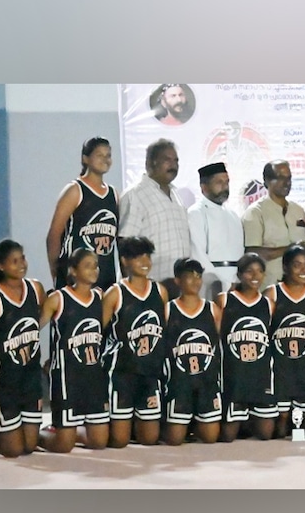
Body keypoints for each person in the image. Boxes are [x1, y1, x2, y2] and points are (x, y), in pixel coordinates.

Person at [38, 248, 110, 452]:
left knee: (99, 442)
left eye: (96, 265)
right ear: (73, 271)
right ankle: (37, 435)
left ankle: (68, 430)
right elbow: (32, 329)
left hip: (93, 375)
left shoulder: (100, 296)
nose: (94, 270)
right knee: (63, 446)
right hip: (67, 377)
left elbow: (102, 331)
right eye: (88, 266)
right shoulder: (58, 299)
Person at [101, 236, 169, 448]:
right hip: (122, 371)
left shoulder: (160, 291)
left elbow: (164, 331)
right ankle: (83, 431)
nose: (145, 261)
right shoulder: (115, 293)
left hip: (150, 371)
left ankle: (130, 423)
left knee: (149, 439)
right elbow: (98, 333)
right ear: (124, 261)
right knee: (118, 441)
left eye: (147, 256)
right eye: (138, 257)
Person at [0, 240, 45, 458]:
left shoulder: (36, 289)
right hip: (5, 383)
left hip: (30, 379)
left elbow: (42, 320)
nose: (21, 265)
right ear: (1, 266)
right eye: (14, 261)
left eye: (23, 258)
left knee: (30, 446)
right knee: (14, 450)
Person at [161, 258, 222, 445]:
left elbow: (218, 344)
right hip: (179, 383)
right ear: (177, 281)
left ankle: (196, 423)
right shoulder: (168, 309)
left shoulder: (212, 309)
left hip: (206, 382)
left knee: (211, 438)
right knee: (174, 440)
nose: (195, 281)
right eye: (189, 276)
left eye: (198, 276)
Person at [118, 138, 191, 293]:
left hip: (180, 287)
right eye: (167, 160)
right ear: (150, 163)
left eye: (176, 160)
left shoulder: (177, 196)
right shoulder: (135, 195)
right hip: (150, 288)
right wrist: (132, 291)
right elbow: (125, 244)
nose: (173, 165)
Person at [217, 253, 276, 442]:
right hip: (235, 374)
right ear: (240, 274)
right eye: (249, 272)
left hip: (260, 374)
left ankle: (249, 420)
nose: (255, 276)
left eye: (259, 271)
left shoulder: (268, 304)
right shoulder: (224, 300)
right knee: (228, 437)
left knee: (266, 435)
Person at [46, 136, 119, 290]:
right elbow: (54, 235)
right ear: (85, 158)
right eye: (99, 155)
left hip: (105, 277)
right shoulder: (75, 190)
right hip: (75, 280)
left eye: (108, 155)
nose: (105, 159)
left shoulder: (113, 194)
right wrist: (57, 272)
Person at [263, 246, 305, 438]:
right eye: (297, 265)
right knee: (281, 423)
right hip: (280, 364)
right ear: (285, 267)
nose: (304, 270)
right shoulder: (273, 293)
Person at [242, 160, 305, 288]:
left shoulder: (298, 210)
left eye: (289, 178)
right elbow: (253, 253)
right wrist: (292, 248)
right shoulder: (255, 213)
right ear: (266, 181)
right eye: (280, 178)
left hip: (300, 287)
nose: (287, 183)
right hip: (270, 287)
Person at [187, 162, 245, 298]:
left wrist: (238, 282)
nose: (225, 187)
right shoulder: (196, 213)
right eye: (219, 182)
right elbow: (198, 255)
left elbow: (241, 252)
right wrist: (223, 284)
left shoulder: (233, 215)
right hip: (210, 284)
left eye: (227, 182)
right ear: (204, 187)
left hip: (237, 285)